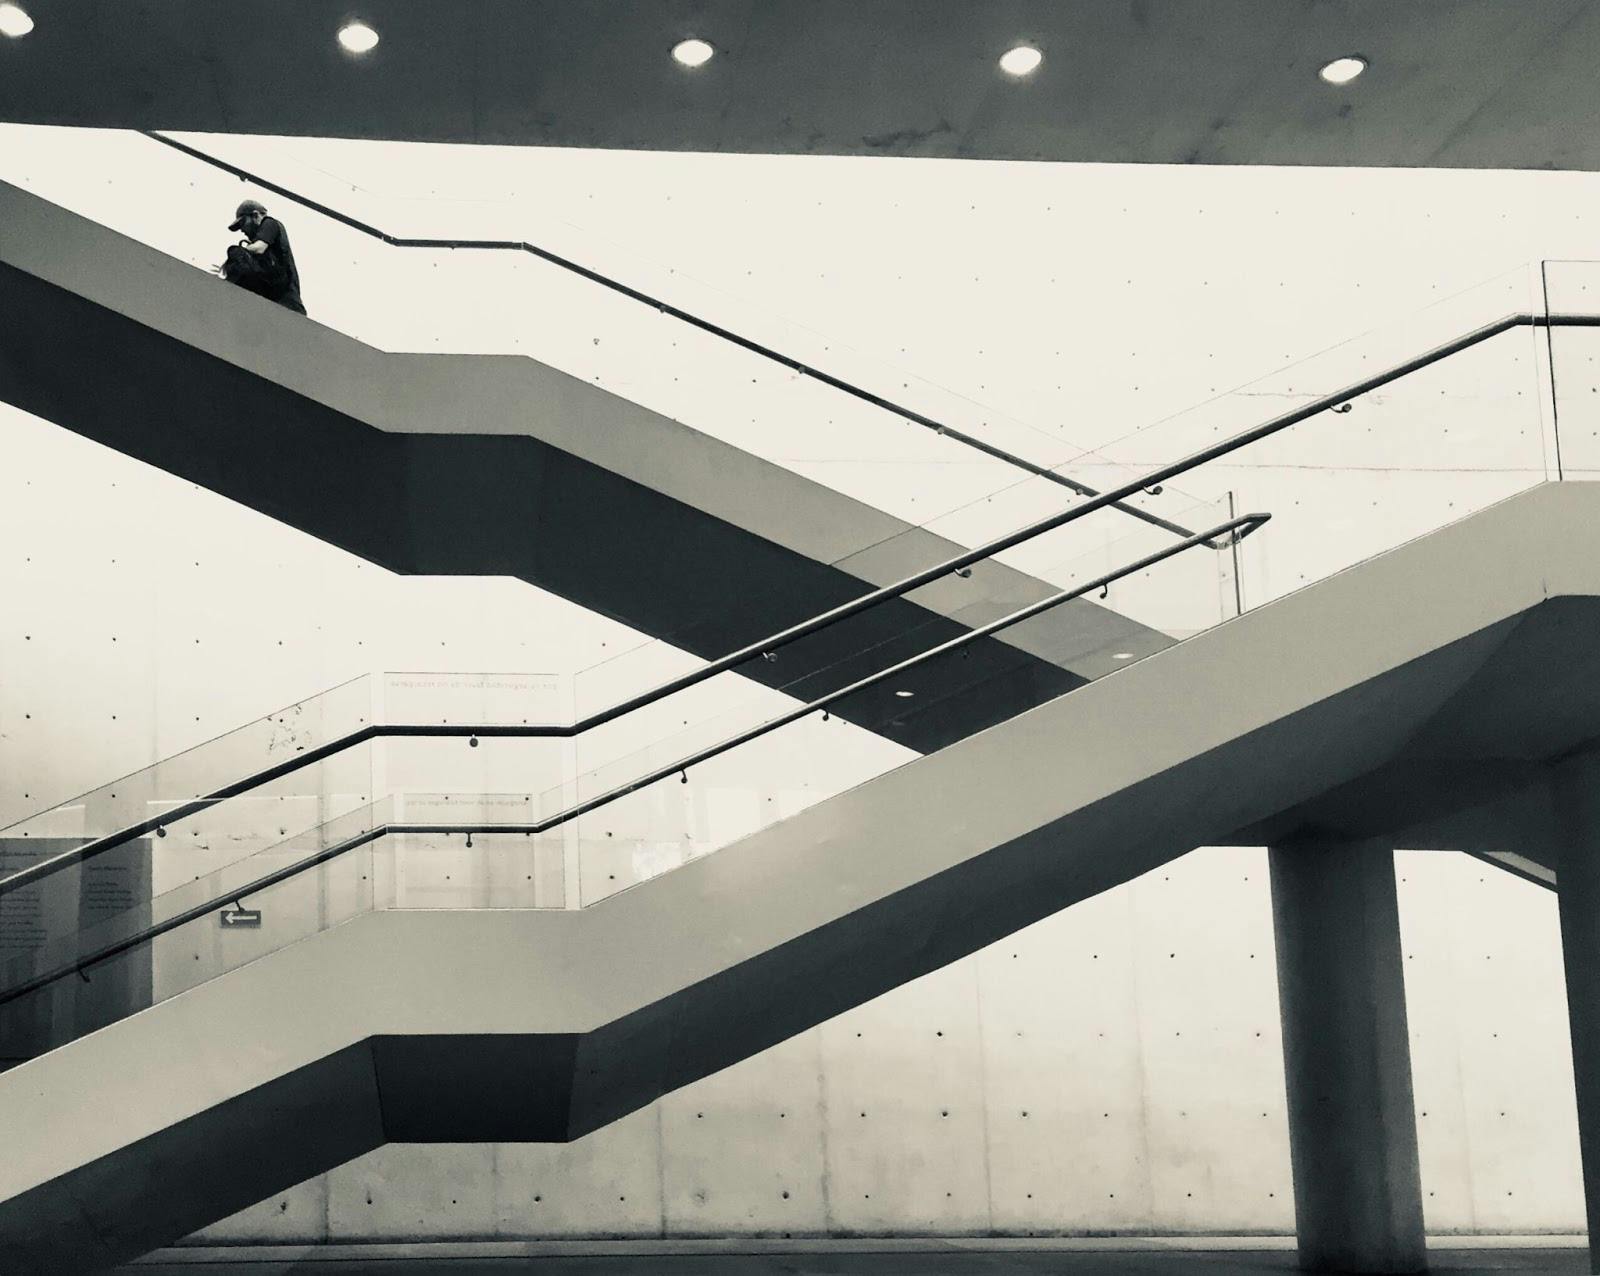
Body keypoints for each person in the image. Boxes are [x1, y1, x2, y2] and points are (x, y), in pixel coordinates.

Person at [219, 199, 306, 315]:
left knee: (237, 254)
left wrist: (240, 253)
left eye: (242, 223)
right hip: (278, 301)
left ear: (255, 215)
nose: (242, 230)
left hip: (286, 302)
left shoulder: (270, 223)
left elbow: (259, 248)